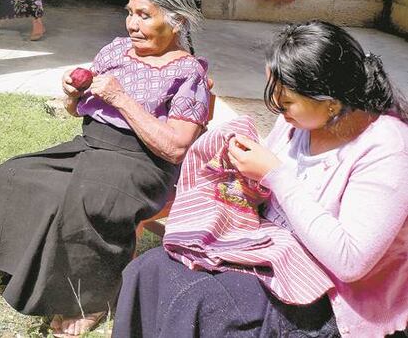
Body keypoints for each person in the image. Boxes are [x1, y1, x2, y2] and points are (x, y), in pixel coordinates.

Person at [0, 0, 210, 336]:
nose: (132, 24)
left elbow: (176, 148)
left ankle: (88, 299)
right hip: (90, 145)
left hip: (143, 163)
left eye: (144, 15)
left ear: (175, 20)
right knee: (15, 174)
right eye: (129, 13)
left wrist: (120, 98)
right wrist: (72, 92)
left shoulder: (187, 72)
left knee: (88, 199)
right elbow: (77, 109)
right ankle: (19, 264)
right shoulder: (117, 50)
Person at [114, 21, 408, 338]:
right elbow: (269, 190)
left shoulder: (387, 150)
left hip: (330, 294)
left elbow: (351, 262)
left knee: (196, 299)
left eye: (287, 102)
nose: (278, 112)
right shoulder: (299, 124)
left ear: (331, 101)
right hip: (272, 253)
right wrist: (238, 174)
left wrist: (275, 175)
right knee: (151, 269)